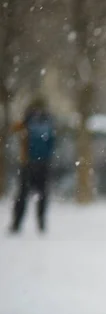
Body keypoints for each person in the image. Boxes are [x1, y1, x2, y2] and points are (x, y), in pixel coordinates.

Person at [9, 96, 56, 234]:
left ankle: (17, 224)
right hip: (43, 163)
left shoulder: (28, 120)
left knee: (23, 195)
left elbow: (15, 130)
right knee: (41, 195)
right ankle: (41, 224)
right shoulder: (48, 120)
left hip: (28, 163)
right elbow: (52, 142)